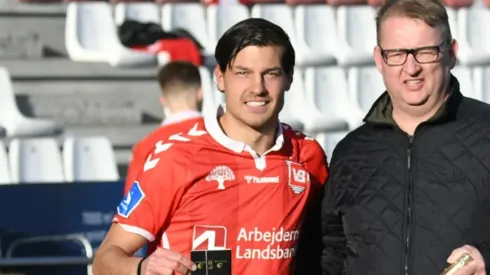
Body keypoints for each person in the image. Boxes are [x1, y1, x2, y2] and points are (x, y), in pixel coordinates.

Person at [93, 18, 328, 275]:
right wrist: (142, 267)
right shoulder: (176, 156)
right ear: (220, 78)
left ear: (289, 79)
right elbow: (105, 260)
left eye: (270, 73)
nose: (257, 88)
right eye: (242, 73)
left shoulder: (308, 155)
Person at [321, 0, 490, 274]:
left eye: (425, 52)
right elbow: (331, 252)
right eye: (397, 53)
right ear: (379, 59)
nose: (411, 68)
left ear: (451, 53)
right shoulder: (350, 152)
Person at [124, 61, 203, 196]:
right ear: (200, 94)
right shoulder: (227, 135)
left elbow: (133, 208)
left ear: (163, 100)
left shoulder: (146, 148)